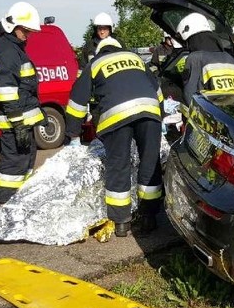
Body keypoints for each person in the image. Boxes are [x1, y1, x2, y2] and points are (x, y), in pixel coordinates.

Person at [64, 37, 164, 238]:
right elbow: (157, 90)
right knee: (150, 163)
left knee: (118, 165)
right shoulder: (135, 58)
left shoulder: (96, 63)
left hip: (116, 115)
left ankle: (121, 223)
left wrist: (73, 133)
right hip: (149, 111)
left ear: (100, 51)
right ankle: (149, 217)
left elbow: (77, 99)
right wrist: (159, 116)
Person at [0, 2, 45, 206]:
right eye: (26, 31)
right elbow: (6, 90)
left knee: (25, 162)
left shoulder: (12, 48)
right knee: (13, 165)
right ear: (13, 26)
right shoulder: (7, 50)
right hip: (14, 121)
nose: (28, 35)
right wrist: (18, 122)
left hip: (20, 119)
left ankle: (19, 202)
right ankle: (4, 205)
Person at [178, 12, 234, 98]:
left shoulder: (195, 58)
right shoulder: (230, 58)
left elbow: (190, 94)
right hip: (230, 108)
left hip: (208, 109)